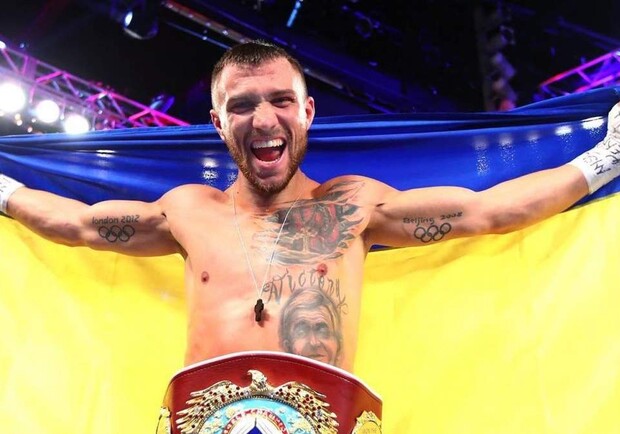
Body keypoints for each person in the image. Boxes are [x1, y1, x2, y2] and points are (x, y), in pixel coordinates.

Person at [1, 40, 619, 374]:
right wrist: (4, 190)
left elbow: (489, 211)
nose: (264, 119)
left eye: (280, 101)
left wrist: (607, 158)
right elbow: (76, 224)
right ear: (218, 123)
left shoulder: (352, 206)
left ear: (307, 112)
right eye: (242, 106)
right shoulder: (188, 211)